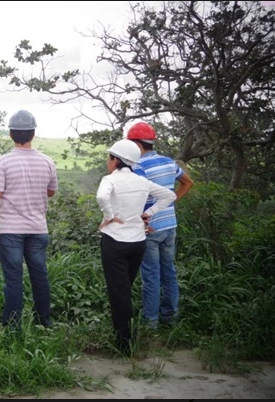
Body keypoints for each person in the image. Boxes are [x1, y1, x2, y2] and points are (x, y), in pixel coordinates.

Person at [0, 110, 58, 332]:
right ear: (33, 133)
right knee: (40, 275)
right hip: (38, 228)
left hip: (10, 230)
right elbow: (50, 192)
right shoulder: (47, 162)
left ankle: (12, 326)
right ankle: (44, 321)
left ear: (11, 134)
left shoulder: (3, 162)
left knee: (13, 279)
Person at [96, 139, 177, 354]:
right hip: (137, 243)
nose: (107, 161)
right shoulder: (142, 181)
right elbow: (170, 195)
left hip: (114, 242)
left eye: (109, 158)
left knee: (119, 292)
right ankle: (129, 334)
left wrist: (109, 217)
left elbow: (101, 196)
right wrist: (148, 214)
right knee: (125, 288)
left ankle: (124, 344)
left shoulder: (109, 180)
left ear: (115, 161)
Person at [127, 121, 195, 329]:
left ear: (137, 144)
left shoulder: (138, 167)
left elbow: (133, 198)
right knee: (169, 272)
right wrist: (170, 203)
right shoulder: (168, 162)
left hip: (150, 229)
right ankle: (170, 317)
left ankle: (150, 323)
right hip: (169, 226)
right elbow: (188, 182)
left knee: (151, 275)